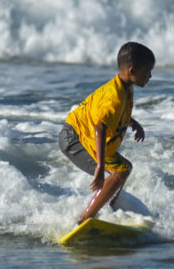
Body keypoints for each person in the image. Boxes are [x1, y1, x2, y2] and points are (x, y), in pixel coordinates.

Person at [59, 41, 155, 223]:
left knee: (124, 168)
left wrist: (133, 123)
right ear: (132, 71)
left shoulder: (125, 88)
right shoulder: (115, 97)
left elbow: (110, 114)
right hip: (75, 137)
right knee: (118, 173)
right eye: (147, 71)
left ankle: (107, 209)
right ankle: (85, 219)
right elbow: (100, 128)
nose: (150, 76)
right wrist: (100, 167)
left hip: (82, 133)